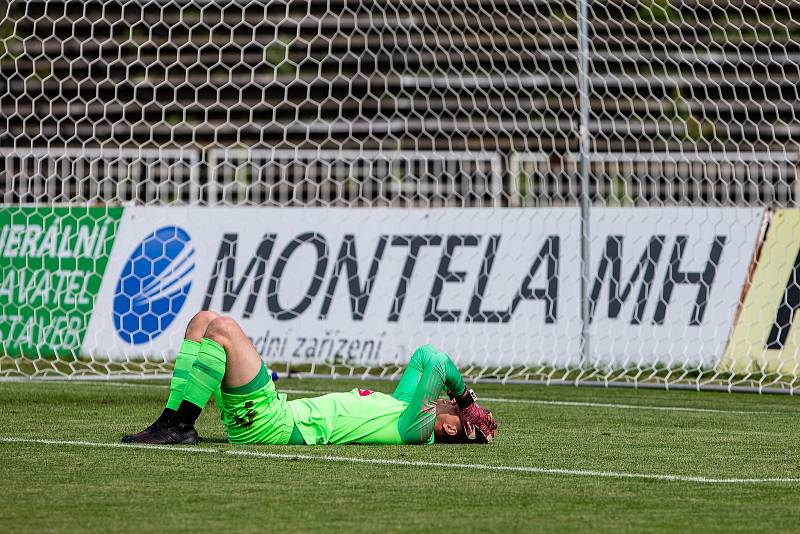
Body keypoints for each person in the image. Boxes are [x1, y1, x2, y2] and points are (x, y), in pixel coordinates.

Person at [122, 311, 497, 446]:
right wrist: (464, 406)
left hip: (269, 424)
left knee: (222, 329)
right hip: (273, 415)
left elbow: (436, 360)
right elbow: (421, 355)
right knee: (203, 321)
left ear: (449, 428)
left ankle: (183, 426)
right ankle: (171, 420)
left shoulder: (413, 427)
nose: (448, 399)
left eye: (457, 412)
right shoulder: (403, 407)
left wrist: (467, 400)